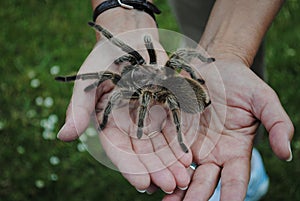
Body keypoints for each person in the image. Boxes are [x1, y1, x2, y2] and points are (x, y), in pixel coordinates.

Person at [57, 0, 294, 200]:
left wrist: (225, 54)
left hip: (187, 96)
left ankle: (244, 166)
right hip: (177, 86)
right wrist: (123, 17)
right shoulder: (149, 70)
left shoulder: (147, 89)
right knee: (195, 20)